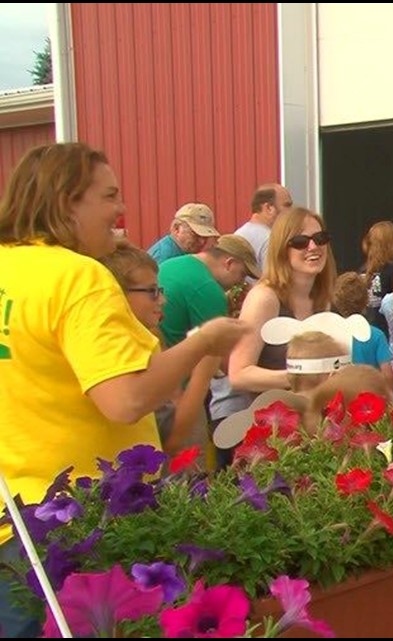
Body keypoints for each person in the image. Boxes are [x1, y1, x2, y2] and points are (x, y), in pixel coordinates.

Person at [0, 143, 247, 637]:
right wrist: (204, 342)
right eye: (109, 195)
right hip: (83, 523)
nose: (120, 210)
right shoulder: (77, 277)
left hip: (14, 521)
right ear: (68, 201)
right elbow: (126, 398)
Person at [100, 241, 222, 453]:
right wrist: (206, 364)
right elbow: (175, 440)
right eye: (152, 292)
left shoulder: (148, 340)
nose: (163, 300)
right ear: (116, 294)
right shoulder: (128, 350)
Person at [229, 207, 337, 393]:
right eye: (300, 242)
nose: (313, 247)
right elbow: (239, 374)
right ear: (281, 249)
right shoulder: (265, 298)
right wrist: (301, 376)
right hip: (275, 416)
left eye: (320, 238)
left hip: (318, 417)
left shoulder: (325, 298)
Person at [236, 183, 293, 270]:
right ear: (269, 208)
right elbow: (275, 280)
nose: (291, 211)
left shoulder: (238, 234)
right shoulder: (270, 240)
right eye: (287, 205)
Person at [146, 202, 221, 264]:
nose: (202, 242)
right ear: (176, 228)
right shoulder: (163, 257)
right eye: (195, 235)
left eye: (205, 237)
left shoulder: (183, 251)